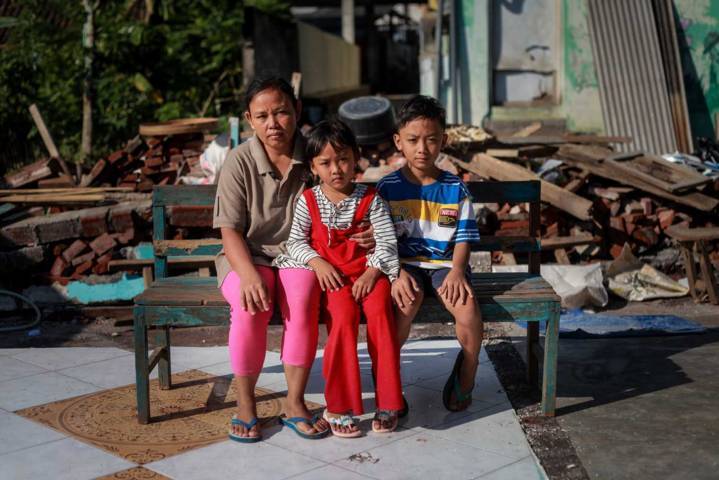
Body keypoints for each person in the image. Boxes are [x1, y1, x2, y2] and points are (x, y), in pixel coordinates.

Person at [213, 77, 373, 443]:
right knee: (249, 303)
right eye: (262, 115)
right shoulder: (238, 162)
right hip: (246, 256)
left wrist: (368, 231)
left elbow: (346, 196)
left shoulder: (315, 154)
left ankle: (294, 402)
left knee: (302, 300)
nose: (273, 123)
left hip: (301, 255)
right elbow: (230, 230)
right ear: (249, 120)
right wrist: (248, 274)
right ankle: (245, 404)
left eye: (282, 112)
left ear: (297, 111)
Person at [274, 119, 404, 437]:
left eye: (343, 159)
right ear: (313, 167)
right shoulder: (308, 201)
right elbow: (295, 242)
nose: (336, 169)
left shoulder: (371, 200)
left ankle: (389, 401)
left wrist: (373, 272)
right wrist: (317, 263)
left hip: (371, 275)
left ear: (356, 157)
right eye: (326, 163)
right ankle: (339, 405)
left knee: (380, 318)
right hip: (334, 279)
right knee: (343, 321)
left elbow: (387, 241)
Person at [377, 95, 484, 412]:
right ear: (399, 142)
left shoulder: (454, 188)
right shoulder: (388, 188)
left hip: (445, 267)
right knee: (403, 304)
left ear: (444, 142)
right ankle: (389, 376)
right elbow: (384, 239)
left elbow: (463, 236)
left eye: (431, 139)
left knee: (467, 310)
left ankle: (467, 371)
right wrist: (395, 274)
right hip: (404, 267)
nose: (422, 148)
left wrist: (456, 271)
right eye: (413, 140)